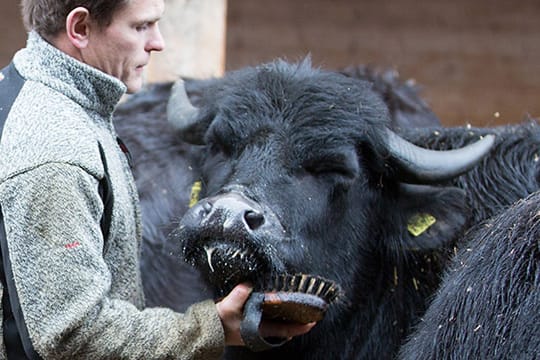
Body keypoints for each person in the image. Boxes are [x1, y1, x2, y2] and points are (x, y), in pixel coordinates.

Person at [0, 0, 315, 358]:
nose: (158, 42)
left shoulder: (38, 97)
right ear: (81, 29)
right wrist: (212, 327)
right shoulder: (56, 149)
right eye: (141, 26)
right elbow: (72, 334)